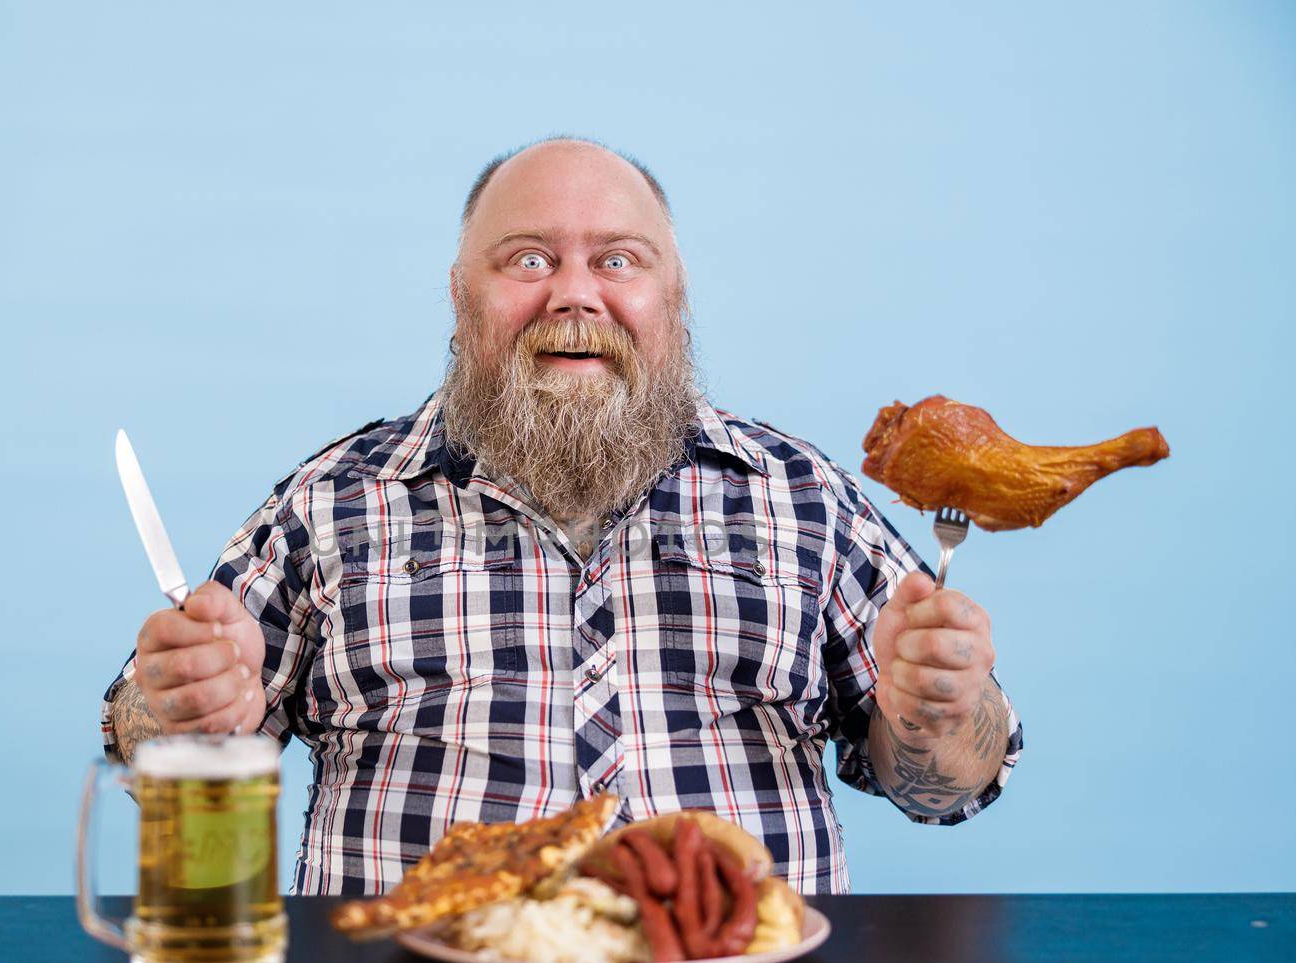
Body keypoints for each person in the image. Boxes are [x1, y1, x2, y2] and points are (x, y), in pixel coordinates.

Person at [101, 136, 1022, 895]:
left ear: (674, 299)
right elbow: (154, 749)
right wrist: (177, 704)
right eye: (528, 259)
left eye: (617, 260)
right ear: (461, 299)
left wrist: (938, 720)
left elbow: (942, 789)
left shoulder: (804, 498)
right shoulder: (334, 501)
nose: (574, 294)